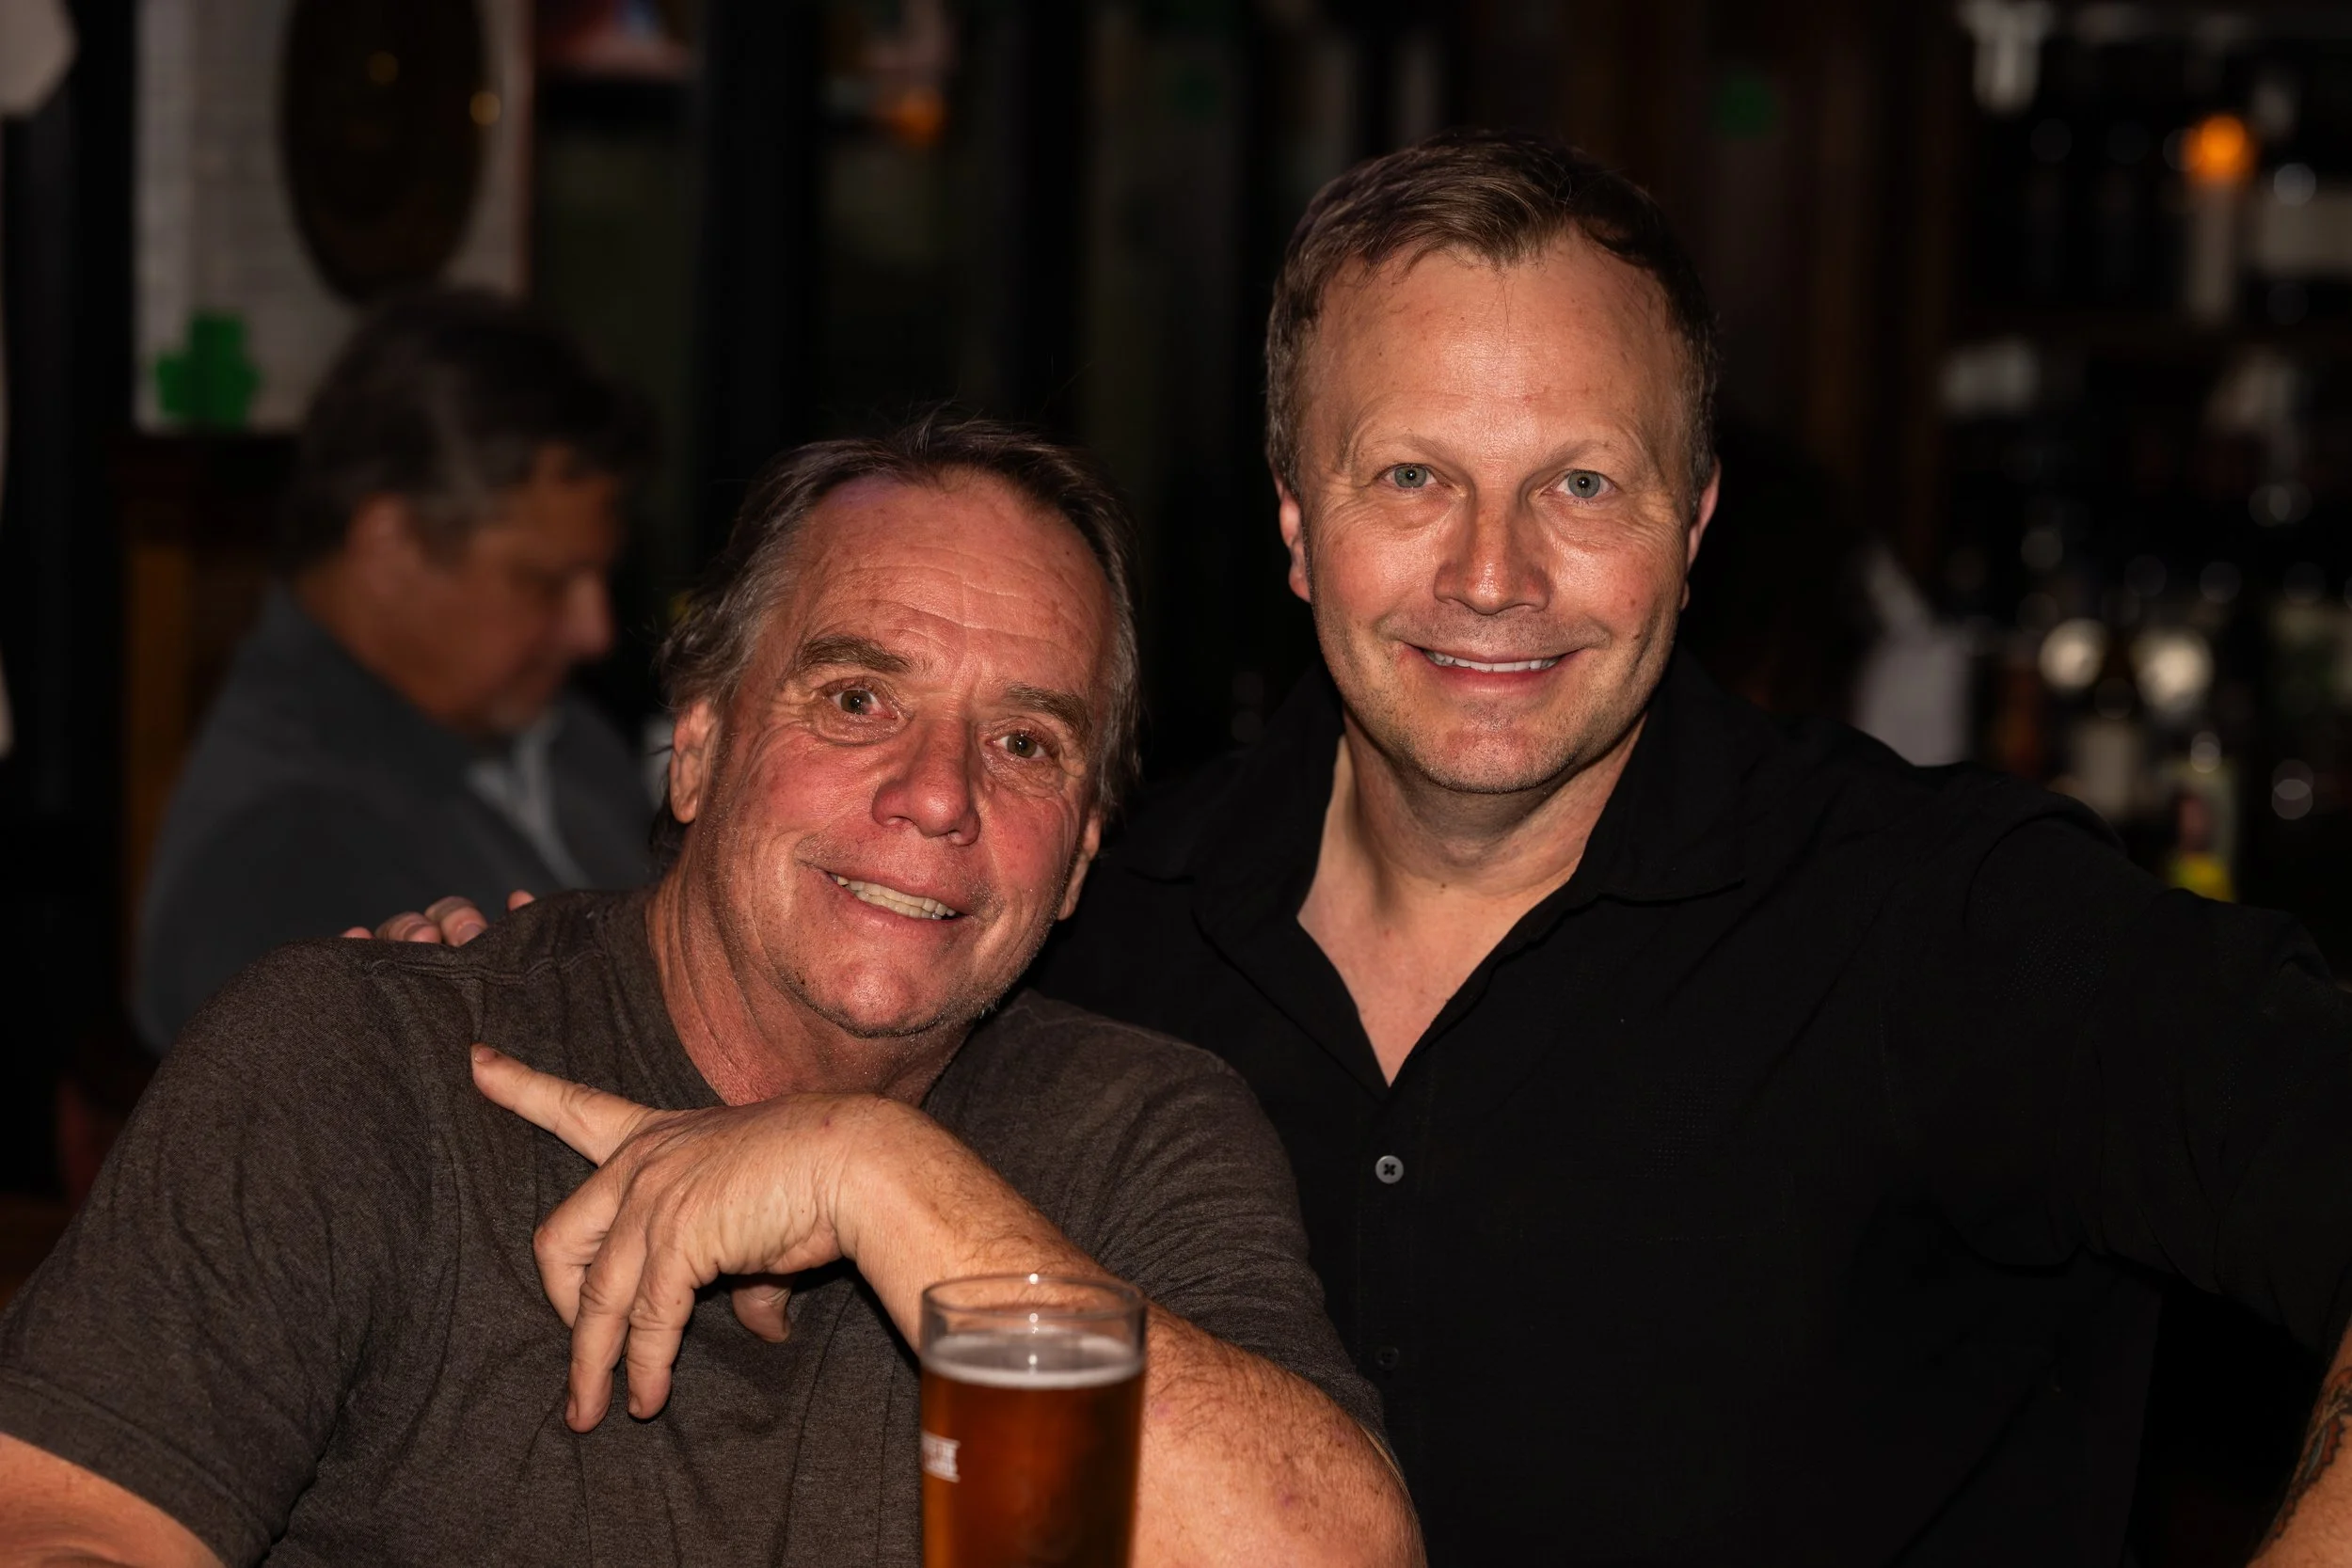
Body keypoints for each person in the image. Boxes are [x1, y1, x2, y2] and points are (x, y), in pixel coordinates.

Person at [337, 132, 2352, 1566]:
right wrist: (516, 964)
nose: (1492, 572)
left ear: (1696, 522)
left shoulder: (1948, 922)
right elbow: (774, 1003)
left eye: (1579, 480)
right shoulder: (1092, 909)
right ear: (1297, 522)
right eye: (1410, 478)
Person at [0, 418, 1418, 1566]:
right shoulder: (361, 1066)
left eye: (1028, 742)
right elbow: (66, 1526)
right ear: (695, 748)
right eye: (858, 698)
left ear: (1082, 857)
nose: (936, 794)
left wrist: (876, 1173)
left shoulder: (1140, 1133)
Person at [132, 289, 660, 1051]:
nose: (595, 632)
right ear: (389, 548)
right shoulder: (283, 849)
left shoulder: (556, 729)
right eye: (545, 583)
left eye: (599, 582)